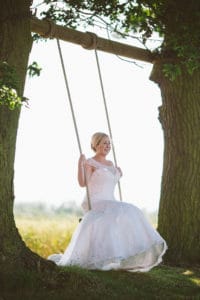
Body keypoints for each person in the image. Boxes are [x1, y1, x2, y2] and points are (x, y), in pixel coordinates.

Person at [48, 132, 167, 271]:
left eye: (109, 143)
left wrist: (118, 173)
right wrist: (80, 164)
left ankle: (128, 255)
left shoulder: (111, 164)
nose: (107, 146)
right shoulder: (90, 163)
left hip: (110, 201)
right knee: (127, 210)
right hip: (97, 201)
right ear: (95, 144)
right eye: (104, 143)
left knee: (131, 212)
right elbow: (83, 183)